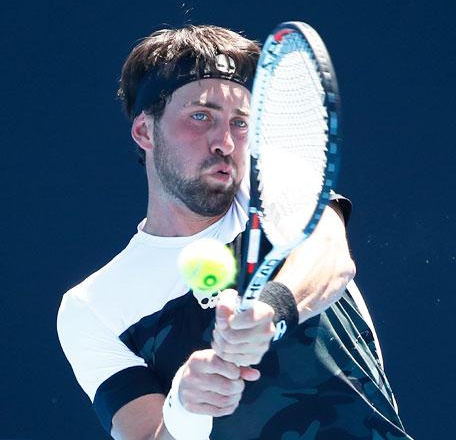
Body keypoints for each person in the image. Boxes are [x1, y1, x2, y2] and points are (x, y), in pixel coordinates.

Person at [57, 24, 412, 440]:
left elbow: (330, 260)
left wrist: (271, 310)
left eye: (241, 123)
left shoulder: (271, 181)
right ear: (145, 131)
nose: (224, 141)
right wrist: (185, 407)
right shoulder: (92, 306)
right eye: (201, 116)